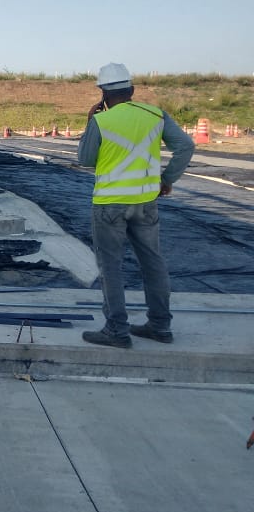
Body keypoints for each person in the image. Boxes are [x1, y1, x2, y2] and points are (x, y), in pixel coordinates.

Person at [77, 62, 195, 348]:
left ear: (103, 93)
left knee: (111, 267)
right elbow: (185, 146)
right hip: (145, 202)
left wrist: (90, 122)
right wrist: (167, 179)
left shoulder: (101, 121)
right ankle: (160, 326)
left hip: (109, 205)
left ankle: (117, 330)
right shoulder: (155, 115)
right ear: (131, 90)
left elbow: (86, 159)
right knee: (153, 263)